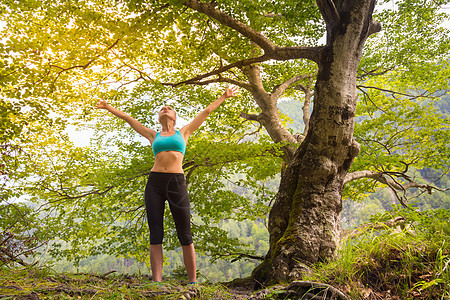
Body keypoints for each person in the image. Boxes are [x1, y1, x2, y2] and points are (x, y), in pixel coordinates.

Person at [95, 86, 238, 284]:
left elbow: (206, 112)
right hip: (154, 183)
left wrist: (224, 96)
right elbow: (130, 120)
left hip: (176, 183)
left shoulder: (184, 132)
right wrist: (109, 107)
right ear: (159, 117)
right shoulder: (154, 135)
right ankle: (157, 282)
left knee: (185, 233)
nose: (165, 108)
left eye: (168, 108)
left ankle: (193, 282)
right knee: (156, 232)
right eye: (162, 108)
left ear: (174, 117)